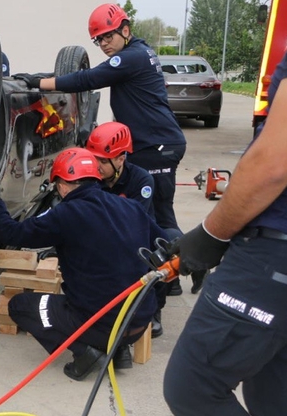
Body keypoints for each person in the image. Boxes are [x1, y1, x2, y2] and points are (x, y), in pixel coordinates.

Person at [163, 42, 287, 416]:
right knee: (285, 414)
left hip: (277, 249)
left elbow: (275, 161)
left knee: (192, 387)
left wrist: (211, 233)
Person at [16, 3, 188, 295]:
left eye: (108, 36)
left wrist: (39, 83)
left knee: (155, 218)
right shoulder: (140, 52)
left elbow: (88, 79)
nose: (104, 44)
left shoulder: (131, 58)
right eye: (99, 40)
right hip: (158, 143)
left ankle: (176, 275)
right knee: (156, 214)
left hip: (156, 145)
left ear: (125, 29)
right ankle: (171, 279)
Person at [0, 148, 166, 380]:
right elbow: (167, 245)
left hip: (101, 325)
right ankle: (118, 350)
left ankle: (85, 353)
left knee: (20, 306)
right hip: (140, 321)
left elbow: (12, 233)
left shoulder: (66, 214)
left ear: (62, 186)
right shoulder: (131, 207)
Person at [85, 121, 167, 338]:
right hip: (102, 237)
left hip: (138, 238)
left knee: (160, 254)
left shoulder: (141, 180)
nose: (97, 166)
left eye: (102, 161)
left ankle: (154, 309)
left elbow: (131, 220)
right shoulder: (90, 180)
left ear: (121, 159)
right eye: (94, 159)